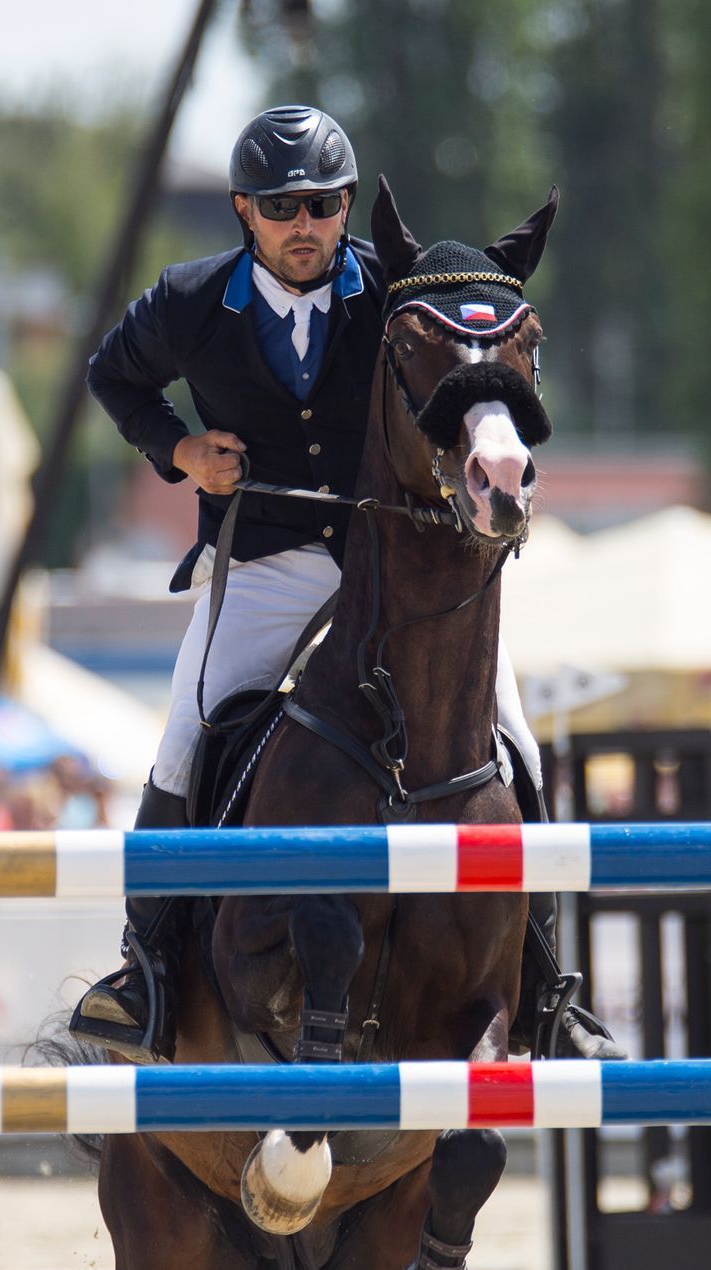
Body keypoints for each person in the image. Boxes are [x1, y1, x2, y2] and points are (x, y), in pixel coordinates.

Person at [71, 105, 621, 1065]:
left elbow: (468, 356)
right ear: (244, 209)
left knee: (518, 749)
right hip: (267, 565)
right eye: (282, 206)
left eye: (325, 204)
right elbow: (113, 376)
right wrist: (180, 449)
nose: (306, 224)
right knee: (181, 742)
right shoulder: (190, 298)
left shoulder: (389, 293)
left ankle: (545, 986)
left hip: (395, 571)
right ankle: (145, 971)